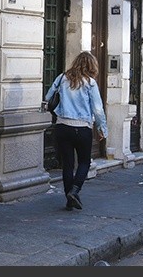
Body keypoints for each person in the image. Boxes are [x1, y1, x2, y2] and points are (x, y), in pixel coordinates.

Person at [44, 51, 108, 211]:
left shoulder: (61, 78)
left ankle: (69, 198)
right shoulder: (90, 83)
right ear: (92, 66)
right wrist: (102, 129)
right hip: (82, 128)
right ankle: (75, 190)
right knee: (84, 162)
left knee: (68, 164)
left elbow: (48, 96)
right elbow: (98, 110)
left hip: (62, 126)